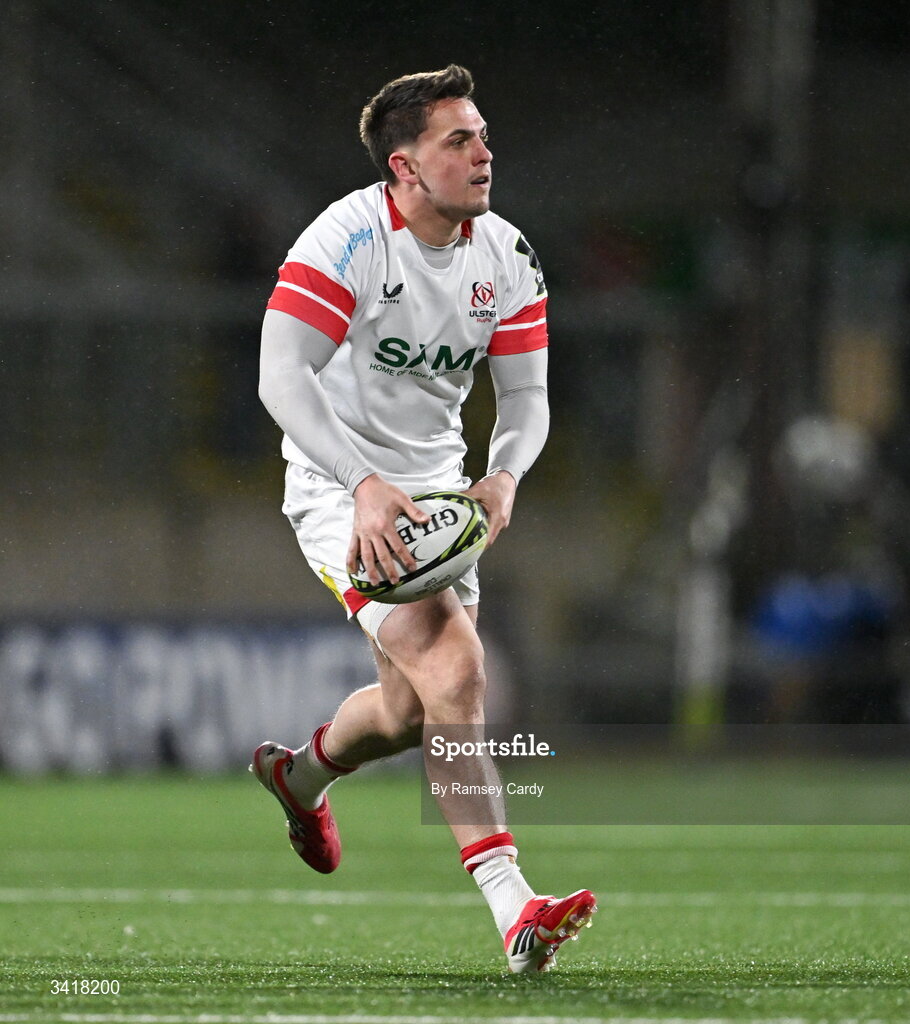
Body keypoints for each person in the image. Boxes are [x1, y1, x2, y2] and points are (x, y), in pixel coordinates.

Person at [251, 64, 596, 974]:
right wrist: (361, 481)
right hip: (339, 486)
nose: (485, 153)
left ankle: (303, 773)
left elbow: (526, 394)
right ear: (403, 168)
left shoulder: (505, 255)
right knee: (457, 666)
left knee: (414, 709)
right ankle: (516, 911)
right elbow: (281, 378)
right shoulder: (348, 240)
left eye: (483, 135)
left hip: (439, 498)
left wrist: (505, 475)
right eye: (459, 140)